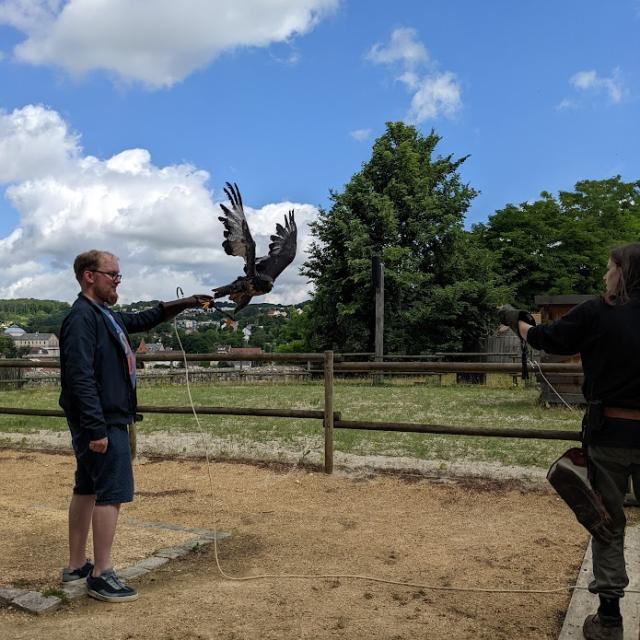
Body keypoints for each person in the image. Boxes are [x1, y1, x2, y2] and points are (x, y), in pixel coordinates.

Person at [59, 249, 212, 602]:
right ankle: (101, 574)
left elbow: (144, 318)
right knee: (111, 493)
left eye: (118, 276)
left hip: (102, 420)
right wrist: (97, 428)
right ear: (89, 276)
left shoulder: (103, 315)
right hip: (102, 422)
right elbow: (79, 376)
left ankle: (76, 565)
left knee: (86, 488)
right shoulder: (82, 318)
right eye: (112, 274)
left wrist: (186, 303)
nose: (117, 281)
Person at [506, 243, 640, 640]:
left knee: (608, 525)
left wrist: (517, 321)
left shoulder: (599, 311)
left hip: (610, 435)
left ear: (623, 272)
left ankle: (610, 620)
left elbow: (547, 339)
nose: (604, 277)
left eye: (609, 269)